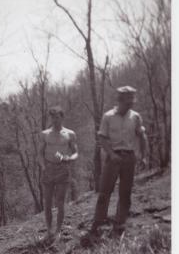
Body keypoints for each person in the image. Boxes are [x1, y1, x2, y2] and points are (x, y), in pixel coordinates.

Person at [88, 86, 147, 238]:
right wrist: (111, 154)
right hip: (112, 158)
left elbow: (142, 136)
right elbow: (101, 137)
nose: (131, 104)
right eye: (128, 100)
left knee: (125, 192)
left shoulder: (135, 117)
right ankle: (98, 223)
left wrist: (144, 156)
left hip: (129, 157)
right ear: (120, 100)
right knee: (104, 192)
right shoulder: (108, 116)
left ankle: (120, 224)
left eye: (132, 100)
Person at [39, 105, 79, 242]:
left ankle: (58, 231)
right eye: (52, 117)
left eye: (57, 117)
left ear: (62, 117)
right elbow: (39, 153)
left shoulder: (70, 134)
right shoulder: (45, 134)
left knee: (60, 202)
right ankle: (49, 230)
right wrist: (43, 166)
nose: (55, 120)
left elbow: (75, 152)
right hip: (49, 168)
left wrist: (70, 159)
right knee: (48, 201)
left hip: (63, 168)